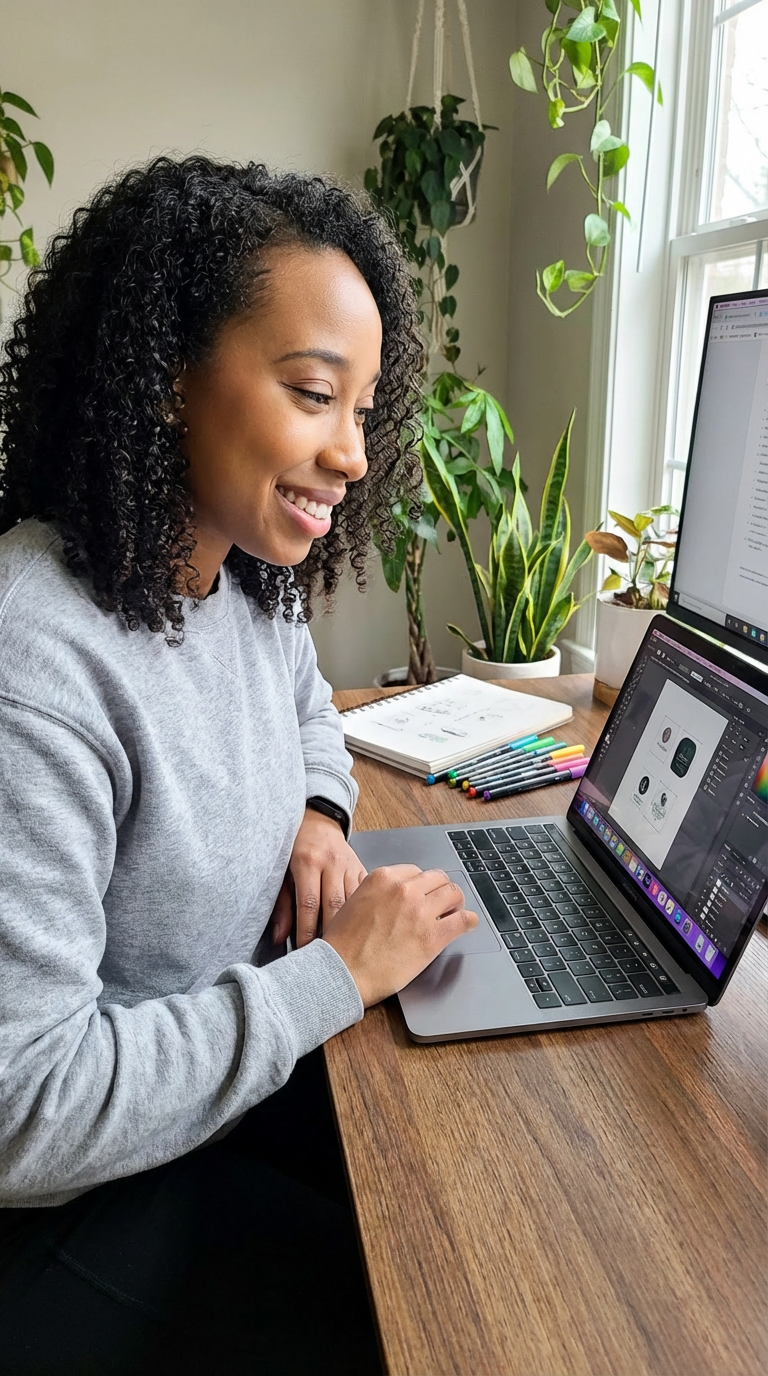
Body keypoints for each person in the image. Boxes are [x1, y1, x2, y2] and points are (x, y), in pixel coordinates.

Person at [0, 156, 478, 1374]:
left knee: (469, 1184)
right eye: (314, 394)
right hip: (61, 1206)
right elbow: (27, 1110)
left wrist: (320, 809)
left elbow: (312, 710)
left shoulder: (238, 574)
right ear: (167, 374)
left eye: (364, 408)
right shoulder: (37, 660)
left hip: (209, 1094)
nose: (354, 454)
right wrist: (333, 974)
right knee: (427, 1318)